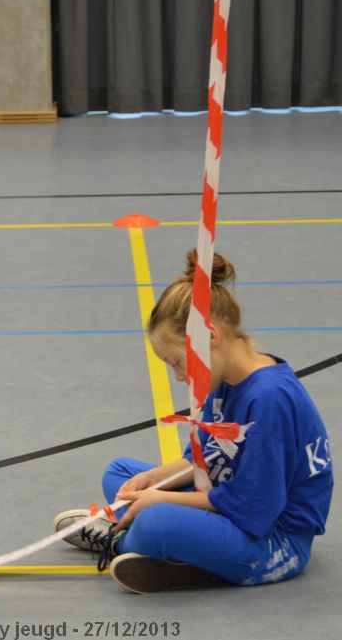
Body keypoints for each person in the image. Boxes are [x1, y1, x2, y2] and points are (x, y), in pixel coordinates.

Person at [54, 250, 333, 594]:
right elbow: (204, 459)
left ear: (210, 338)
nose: (179, 376)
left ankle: (121, 543)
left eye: (177, 362)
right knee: (121, 473)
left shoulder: (269, 397)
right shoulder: (221, 379)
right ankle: (185, 551)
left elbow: (255, 505)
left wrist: (160, 501)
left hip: (273, 539)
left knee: (155, 522)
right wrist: (154, 481)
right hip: (228, 506)